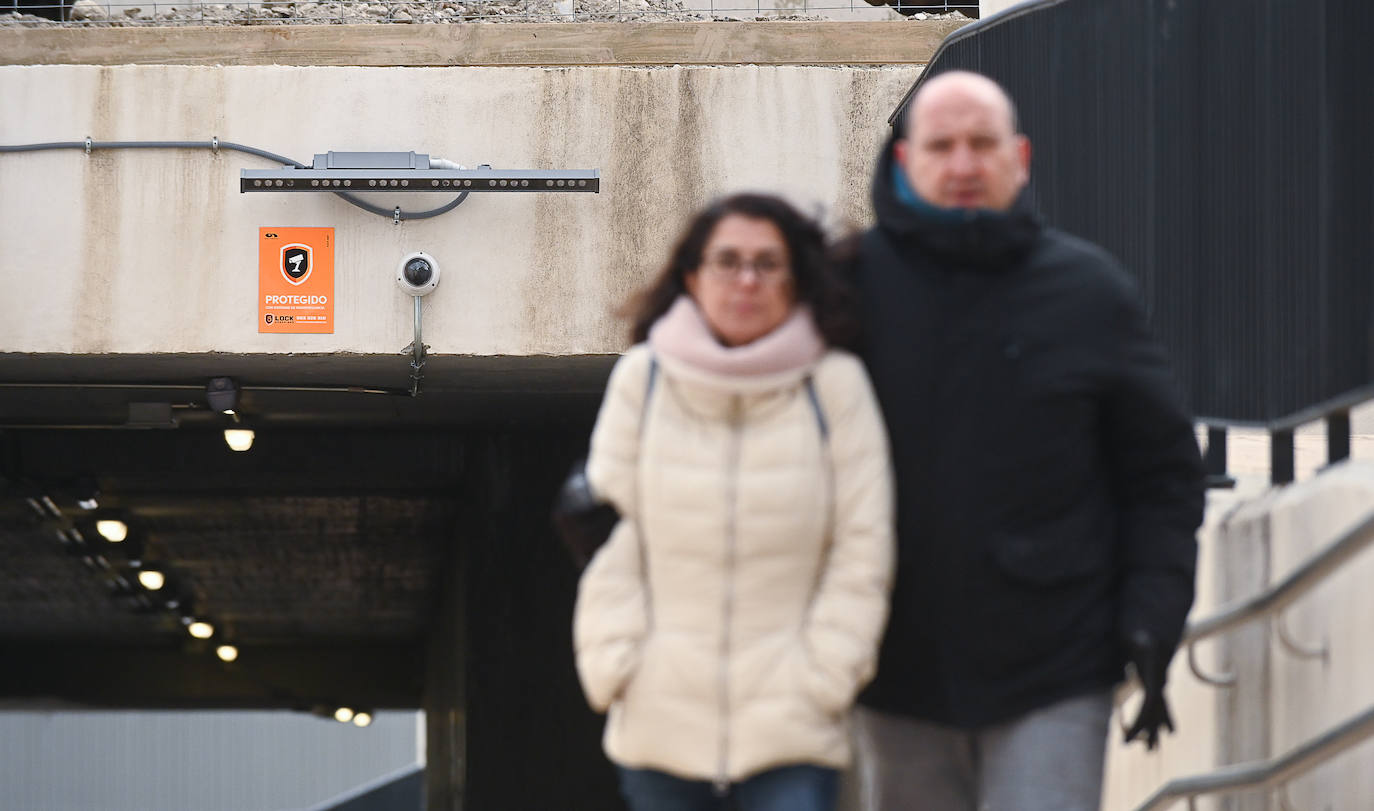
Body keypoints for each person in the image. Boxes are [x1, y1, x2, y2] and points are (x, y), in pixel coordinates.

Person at [841, 71, 1206, 810]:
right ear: (906, 161)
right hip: (892, 671)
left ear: (1023, 157)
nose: (965, 164)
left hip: (1057, 665)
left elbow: (1162, 477)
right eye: (942, 146)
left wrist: (1150, 616)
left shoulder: (1090, 292)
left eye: (983, 143)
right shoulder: (846, 290)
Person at [572, 193, 895, 811]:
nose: (746, 280)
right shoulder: (643, 379)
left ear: (795, 278)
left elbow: (864, 543)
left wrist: (827, 676)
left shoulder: (834, 386)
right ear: (692, 275)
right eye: (727, 261)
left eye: (768, 263)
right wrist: (617, 666)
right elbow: (611, 535)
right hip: (658, 722)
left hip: (793, 727)